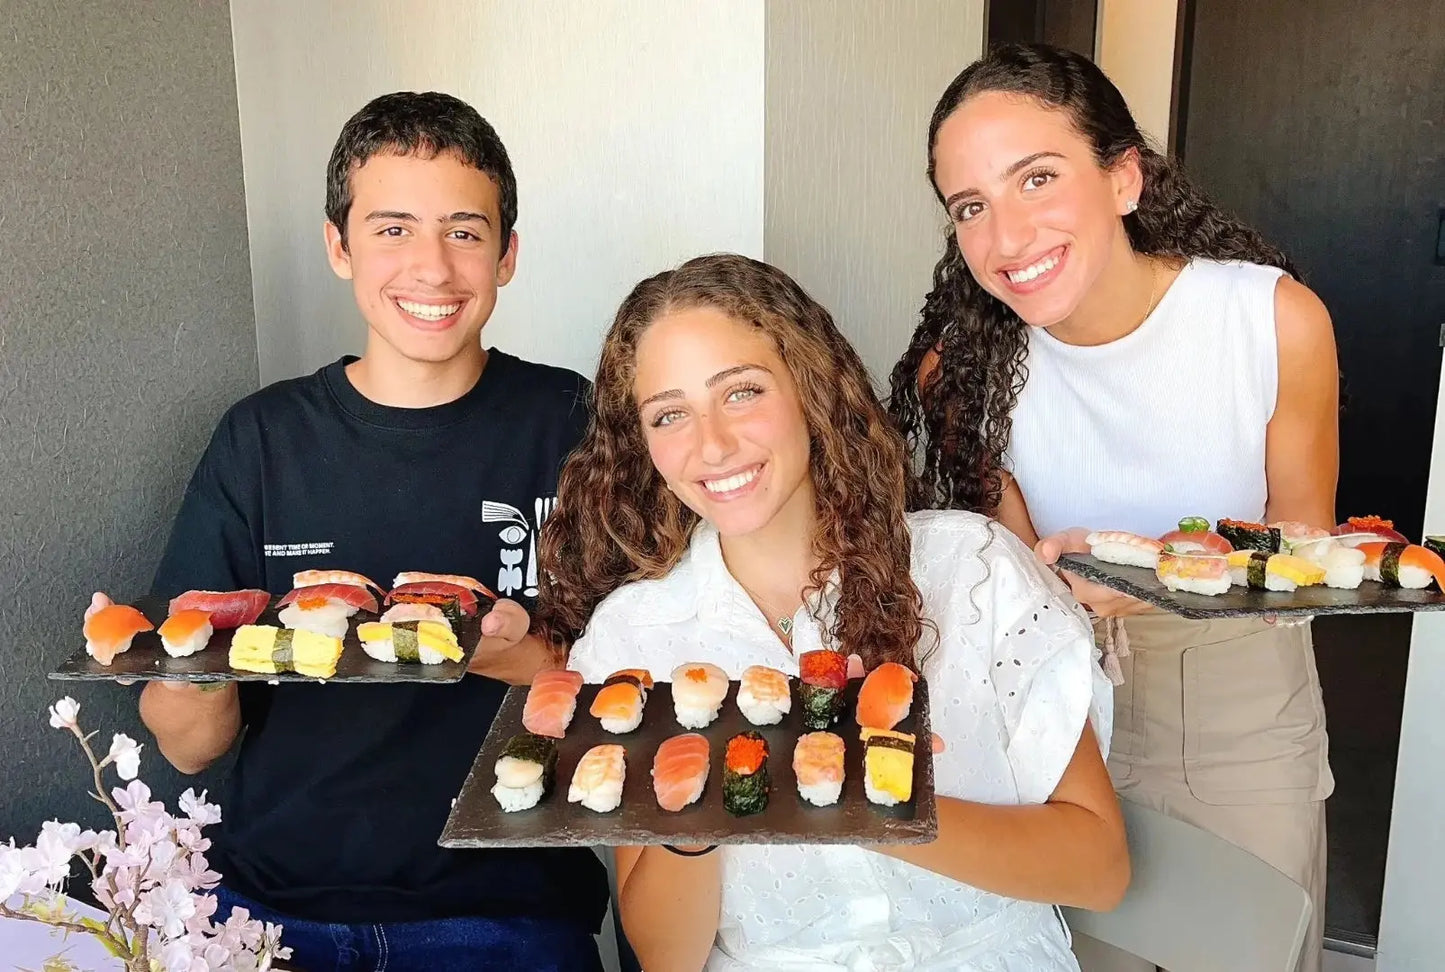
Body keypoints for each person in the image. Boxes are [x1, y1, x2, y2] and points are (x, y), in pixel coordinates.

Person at [101, 91, 609, 970]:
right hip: (275, 912)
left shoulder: (570, 420)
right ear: (339, 246)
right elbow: (187, 749)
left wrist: (520, 658)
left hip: (509, 915)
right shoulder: (262, 439)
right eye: (392, 229)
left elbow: (646, 681)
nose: (432, 268)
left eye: (463, 230)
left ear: (507, 253)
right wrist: (189, 667)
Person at [532, 253, 1128, 971]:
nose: (712, 444)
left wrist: (867, 801)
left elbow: (1097, 870)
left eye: (742, 392)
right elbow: (666, 957)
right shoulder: (635, 637)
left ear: (810, 388)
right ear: (642, 442)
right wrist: (696, 819)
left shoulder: (973, 571)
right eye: (669, 415)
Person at [886, 44, 1339, 972]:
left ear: (1123, 177)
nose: (1006, 239)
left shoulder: (1272, 321)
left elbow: (1313, 552)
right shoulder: (963, 374)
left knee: (1245, 946)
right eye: (970, 207)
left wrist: (1168, 570)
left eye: (1037, 179)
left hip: (1241, 714)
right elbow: (1011, 581)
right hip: (1067, 714)